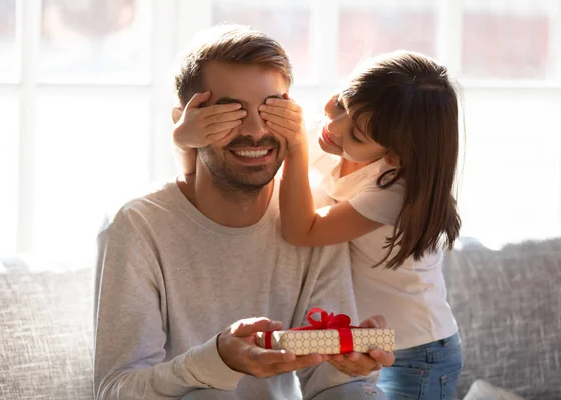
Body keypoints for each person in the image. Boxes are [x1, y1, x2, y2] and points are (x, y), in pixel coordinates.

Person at [94, 24, 394, 400]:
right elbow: (115, 390)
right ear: (184, 122)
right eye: (229, 112)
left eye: (272, 109)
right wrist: (216, 360)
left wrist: (352, 367)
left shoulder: (315, 220)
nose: (255, 130)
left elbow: (334, 384)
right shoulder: (138, 226)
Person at [175, 50, 464, 399]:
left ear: (393, 155)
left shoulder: (394, 191)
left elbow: (302, 230)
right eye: (340, 104)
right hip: (363, 343)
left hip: (417, 351)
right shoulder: (333, 140)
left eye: (356, 134)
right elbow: (223, 175)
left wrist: (296, 147)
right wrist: (184, 139)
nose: (334, 126)